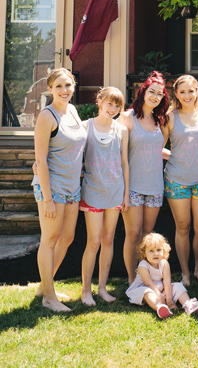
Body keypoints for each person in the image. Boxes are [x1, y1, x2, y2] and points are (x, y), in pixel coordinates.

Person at [32, 67, 87, 312]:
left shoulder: (73, 112)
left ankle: (46, 286)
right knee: (50, 239)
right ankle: (49, 298)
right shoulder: (47, 116)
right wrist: (48, 199)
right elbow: (41, 160)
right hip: (51, 187)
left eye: (68, 85)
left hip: (72, 186)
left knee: (67, 238)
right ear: (50, 89)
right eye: (59, 87)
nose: (64, 91)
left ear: (73, 86)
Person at [79, 86, 129, 307]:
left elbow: (124, 163)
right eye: (109, 103)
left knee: (108, 240)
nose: (113, 109)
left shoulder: (121, 130)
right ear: (99, 101)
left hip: (115, 192)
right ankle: (85, 291)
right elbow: (68, 152)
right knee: (94, 241)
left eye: (117, 105)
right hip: (93, 192)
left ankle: (101, 288)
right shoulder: (85, 127)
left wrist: (126, 194)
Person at [119, 71, 169, 282]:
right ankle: (132, 279)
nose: (155, 96)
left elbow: (157, 148)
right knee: (133, 235)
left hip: (155, 186)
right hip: (133, 187)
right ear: (143, 92)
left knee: (148, 236)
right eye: (152, 91)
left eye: (159, 94)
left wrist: (177, 158)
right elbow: (116, 152)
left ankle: (146, 278)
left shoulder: (160, 120)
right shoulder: (127, 117)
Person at [163, 75, 198, 286]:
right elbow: (158, 145)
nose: (187, 96)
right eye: (182, 92)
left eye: (191, 91)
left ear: (197, 91)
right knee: (182, 226)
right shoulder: (170, 116)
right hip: (176, 179)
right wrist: (173, 156)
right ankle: (185, 273)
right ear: (176, 94)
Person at [125, 232, 198, 318]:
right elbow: (149, 284)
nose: (155, 254)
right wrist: (159, 297)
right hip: (145, 289)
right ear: (144, 253)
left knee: (178, 286)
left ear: (164, 250)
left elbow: (167, 282)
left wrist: (169, 300)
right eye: (151, 251)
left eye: (158, 250)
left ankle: (189, 305)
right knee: (148, 292)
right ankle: (159, 307)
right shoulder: (143, 265)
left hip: (161, 289)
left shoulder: (164, 263)